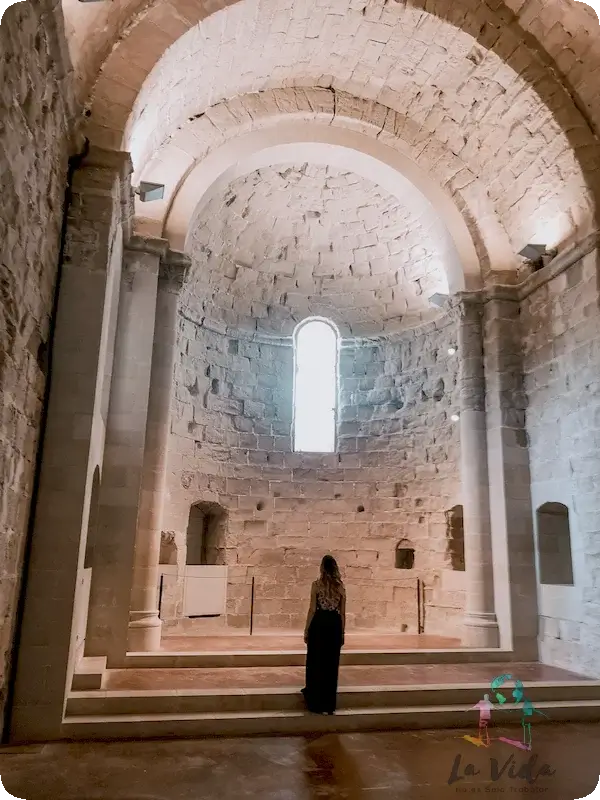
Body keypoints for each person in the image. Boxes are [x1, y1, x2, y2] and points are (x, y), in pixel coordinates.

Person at [302, 555, 346, 715]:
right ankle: (329, 704)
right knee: (331, 665)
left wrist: (306, 629)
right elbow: (342, 613)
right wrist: (342, 632)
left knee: (316, 662)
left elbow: (312, 609)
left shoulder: (316, 585)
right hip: (334, 625)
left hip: (319, 624)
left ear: (322, 567)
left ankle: (315, 702)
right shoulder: (340, 587)